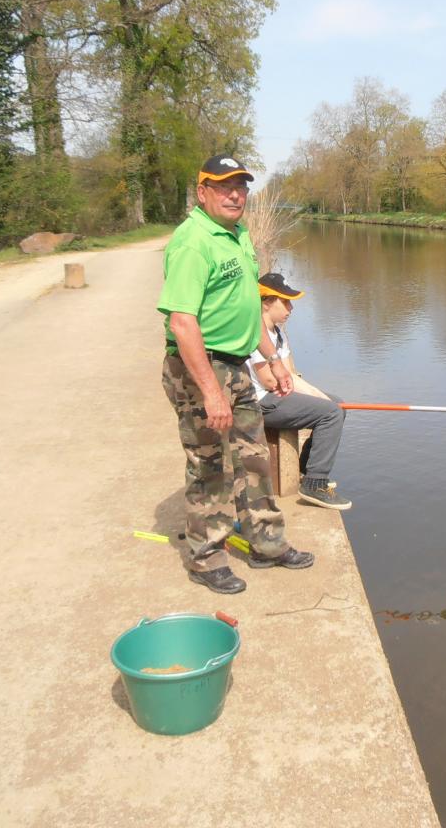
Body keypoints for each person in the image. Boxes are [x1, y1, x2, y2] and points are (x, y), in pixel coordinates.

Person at [157, 154, 314, 594]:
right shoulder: (193, 242)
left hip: (237, 363)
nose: (235, 194)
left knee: (253, 458)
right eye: (224, 186)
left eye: (241, 186)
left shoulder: (239, 233)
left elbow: (246, 306)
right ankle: (206, 556)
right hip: (199, 366)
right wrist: (210, 391)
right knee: (209, 464)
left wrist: (270, 358)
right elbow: (182, 323)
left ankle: (267, 543)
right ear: (201, 190)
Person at [247, 273, 352, 510]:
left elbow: (289, 374)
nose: (290, 308)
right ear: (266, 302)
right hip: (261, 401)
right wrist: (317, 400)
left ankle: (305, 468)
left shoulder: (279, 334)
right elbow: (269, 380)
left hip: (276, 395)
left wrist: (318, 396)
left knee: (337, 404)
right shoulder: (255, 332)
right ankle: (315, 483)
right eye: (284, 302)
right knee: (331, 413)